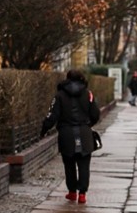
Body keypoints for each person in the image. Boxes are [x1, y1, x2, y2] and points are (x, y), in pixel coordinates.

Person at [40, 70, 100, 204]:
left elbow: (52, 116)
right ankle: (83, 194)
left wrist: (43, 130)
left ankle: (72, 192)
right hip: (84, 134)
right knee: (84, 165)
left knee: (69, 164)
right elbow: (95, 114)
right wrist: (88, 124)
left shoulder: (60, 95)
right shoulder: (88, 94)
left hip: (66, 134)